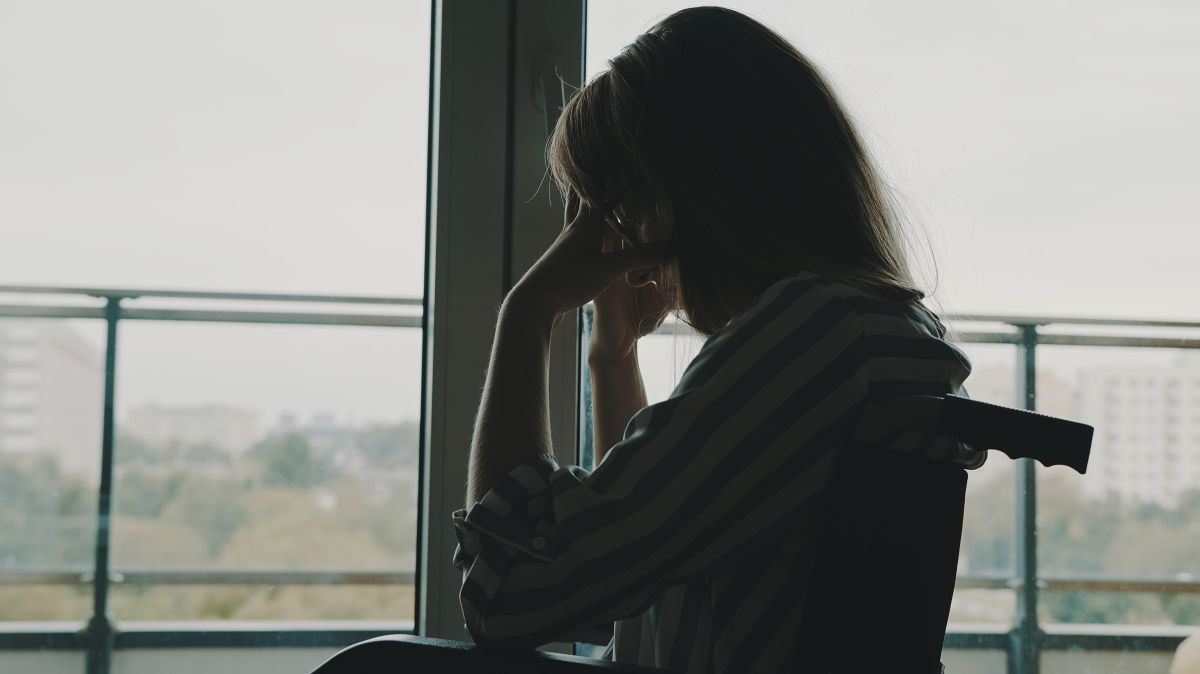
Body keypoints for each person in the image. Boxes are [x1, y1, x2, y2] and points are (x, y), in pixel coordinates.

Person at [452, 6, 981, 673]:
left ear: (689, 189)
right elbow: (640, 564)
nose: (631, 251)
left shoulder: (816, 335)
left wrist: (528, 313)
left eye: (621, 205)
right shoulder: (868, 335)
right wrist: (612, 358)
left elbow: (510, 594)